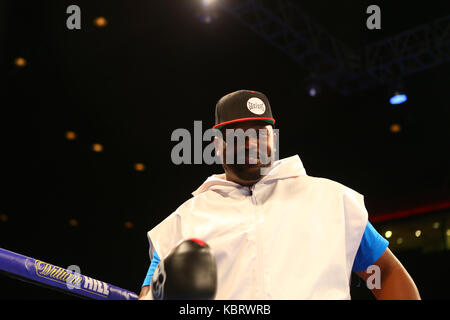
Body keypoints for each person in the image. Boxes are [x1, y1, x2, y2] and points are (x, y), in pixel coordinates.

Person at [139, 89, 420, 300]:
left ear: (273, 139)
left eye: (260, 132)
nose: (250, 142)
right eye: (238, 134)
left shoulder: (332, 201)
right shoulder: (183, 222)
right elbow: (148, 294)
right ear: (217, 144)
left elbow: (387, 275)